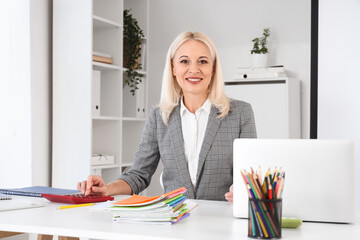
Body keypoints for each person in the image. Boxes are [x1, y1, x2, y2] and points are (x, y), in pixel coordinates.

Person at [77, 31, 256, 202]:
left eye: (202, 61)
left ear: (213, 68)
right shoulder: (159, 116)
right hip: (174, 219)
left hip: (221, 223)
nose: (194, 69)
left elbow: (251, 175)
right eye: (184, 61)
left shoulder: (241, 113)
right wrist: (107, 188)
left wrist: (244, 191)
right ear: (173, 68)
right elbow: (139, 174)